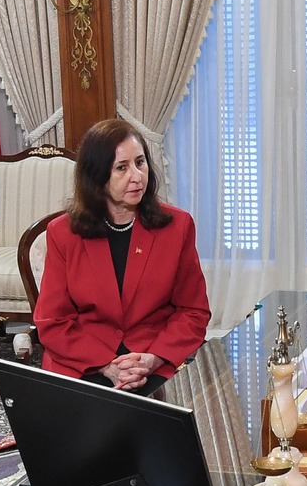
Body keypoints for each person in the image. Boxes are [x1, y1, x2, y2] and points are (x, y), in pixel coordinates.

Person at [33, 118, 211, 393]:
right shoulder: (63, 233)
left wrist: (152, 359)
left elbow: (193, 311)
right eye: (122, 168)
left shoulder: (177, 227)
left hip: (152, 359)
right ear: (97, 176)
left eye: (140, 163)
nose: (137, 176)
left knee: (161, 415)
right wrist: (107, 365)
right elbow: (52, 322)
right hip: (84, 361)